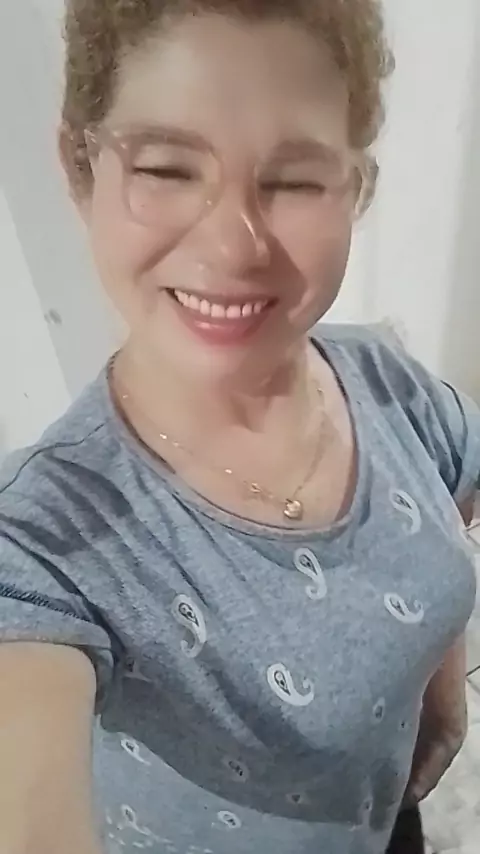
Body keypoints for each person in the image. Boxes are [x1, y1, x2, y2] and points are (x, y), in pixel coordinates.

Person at [0, 1, 478, 853]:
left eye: (294, 182)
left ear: (356, 190)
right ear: (79, 167)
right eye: (167, 169)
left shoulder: (388, 383)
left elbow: (445, 515)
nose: (233, 246)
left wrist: (441, 694)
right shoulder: (48, 542)